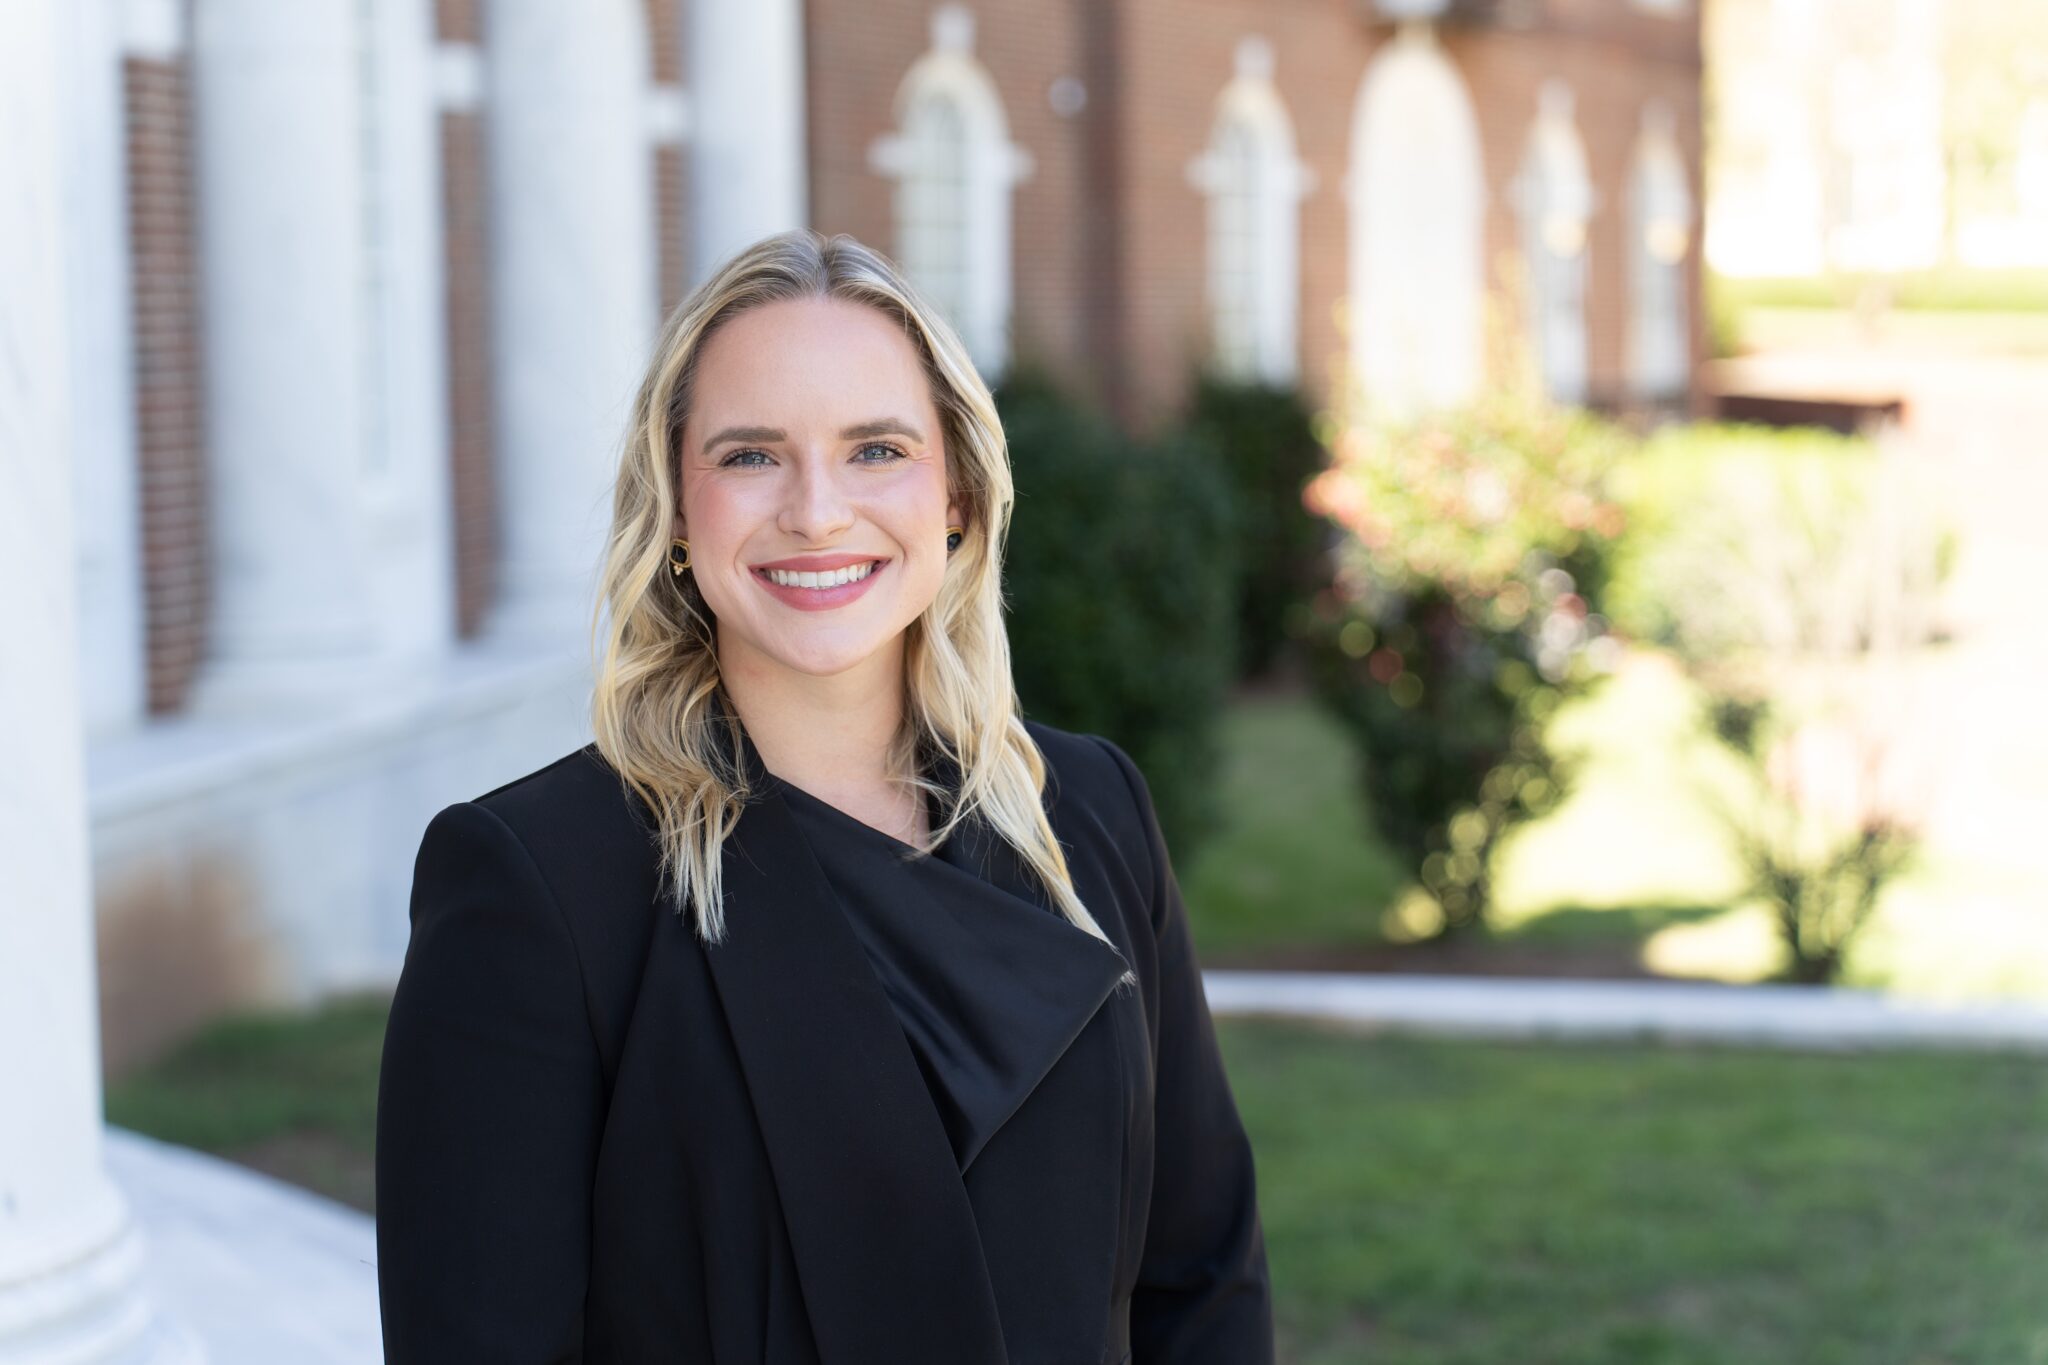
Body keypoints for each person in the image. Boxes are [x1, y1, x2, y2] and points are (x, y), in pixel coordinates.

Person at [374, 228, 1274, 1363]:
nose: (815, 511)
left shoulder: (1084, 813)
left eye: (875, 449)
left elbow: (1200, 1277)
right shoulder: (539, 882)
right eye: (750, 455)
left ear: (954, 493)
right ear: (676, 509)